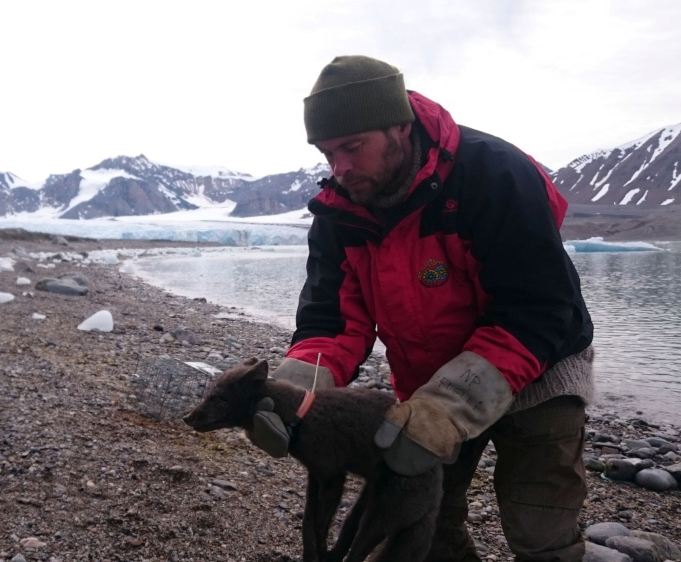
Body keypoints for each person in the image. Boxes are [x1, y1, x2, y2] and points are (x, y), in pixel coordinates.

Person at [249, 55, 594, 561]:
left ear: (398, 127)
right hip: (427, 383)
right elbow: (332, 321)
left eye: (352, 147)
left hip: (542, 371)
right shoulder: (341, 211)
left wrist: (446, 410)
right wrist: (291, 394)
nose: (340, 169)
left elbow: (536, 311)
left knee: (541, 531)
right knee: (421, 524)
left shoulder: (495, 176)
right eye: (327, 154)